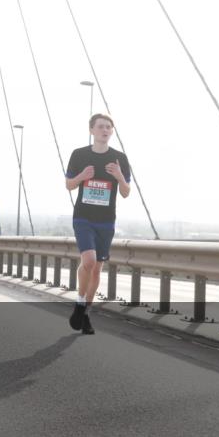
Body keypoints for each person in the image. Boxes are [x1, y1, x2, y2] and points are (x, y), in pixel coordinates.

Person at [64, 114, 131, 336]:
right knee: (89, 260)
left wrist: (120, 176)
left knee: (96, 270)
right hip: (83, 217)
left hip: (106, 221)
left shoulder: (119, 158)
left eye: (108, 127)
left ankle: (85, 313)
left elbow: (126, 193)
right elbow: (69, 186)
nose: (105, 130)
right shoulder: (79, 154)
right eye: (101, 126)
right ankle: (80, 302)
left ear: (112, 131)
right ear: (91, 130)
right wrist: (82, 176)